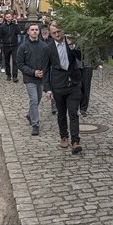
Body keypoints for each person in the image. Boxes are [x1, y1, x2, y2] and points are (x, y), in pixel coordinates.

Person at [43, 21, 83, 154]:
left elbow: (81, 57)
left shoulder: (70, 42)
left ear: (63, 30)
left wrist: (73, 47)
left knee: (73, 113)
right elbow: (46, 70)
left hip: (73, 83)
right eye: (54, 33)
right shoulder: (48, 49)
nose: (57, 35)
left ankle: (75, 141)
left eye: (58, 31)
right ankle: (63, 136)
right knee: (61, 113)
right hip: (58, 85)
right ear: (50, 34)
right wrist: (47, 89)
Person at [16, 23, 49, 136]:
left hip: (41, 78)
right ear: (28, 32)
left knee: (38, 99)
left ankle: (30, 115)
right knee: (34, 100)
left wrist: (44, 71)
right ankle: (35, 124)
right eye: (32, 30)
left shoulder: (44, 46)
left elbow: (48, 62)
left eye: (36, 30)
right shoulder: (23, 47)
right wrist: (33, 72)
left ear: (39, 32)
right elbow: (20, 64)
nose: (35, 31)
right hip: (29, 78)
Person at [0, 13, 20, 82]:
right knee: (7, 61)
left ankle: (15, 76)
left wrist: (16, 24)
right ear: (5, 18)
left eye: (9, 17)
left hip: (14, 45)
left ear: (11, 17)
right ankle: (8, 75)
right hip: (6, 46)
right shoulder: (3, 26)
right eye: (7, 17)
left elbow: (19, 32)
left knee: (15, 61)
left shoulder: (14, 25)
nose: (8, 18)